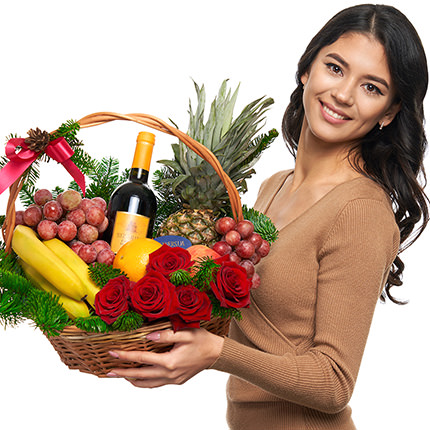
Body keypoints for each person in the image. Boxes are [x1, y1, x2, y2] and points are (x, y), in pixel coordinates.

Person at [106, 4, 429, 429]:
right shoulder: (274, 186)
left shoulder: (360, 211)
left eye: (371, 87)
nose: (343, 94)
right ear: (307, 70)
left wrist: (216, 354)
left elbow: (334, 382)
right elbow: (257, 327)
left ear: (389, 111)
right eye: (335, 68)